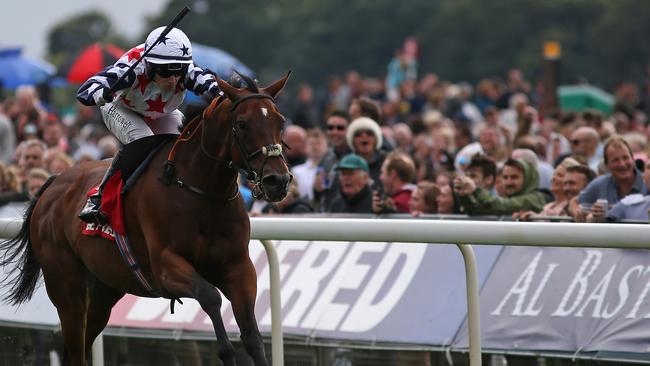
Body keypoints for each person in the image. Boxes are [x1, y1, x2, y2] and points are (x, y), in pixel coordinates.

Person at [76, 26, 222, 224]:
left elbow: (211, 84)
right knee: (144, 141)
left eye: (177, 73)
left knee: (185, 143)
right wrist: (100, 92)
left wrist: (223, 94)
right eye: (165, 72)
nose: (172, 80)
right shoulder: (131, 68)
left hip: (160, 112)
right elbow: (86, 89)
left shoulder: (184, 67)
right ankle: (98, 198)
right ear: (150, 66)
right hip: (120, 108)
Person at [454, 158, 546, 216]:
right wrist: (464, 195)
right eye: (505, 177)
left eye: (514, 177)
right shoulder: (503, 198)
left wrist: (475, 190)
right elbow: (480, 211)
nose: (508, 182)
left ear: (527, 179)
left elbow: (503, 206)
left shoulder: (535, 199)